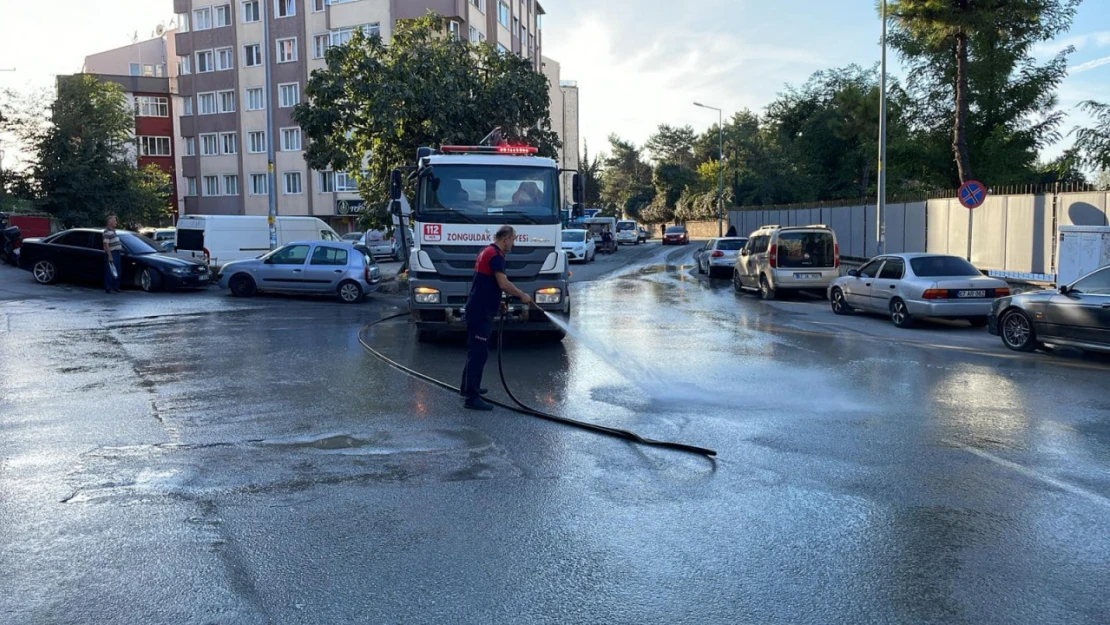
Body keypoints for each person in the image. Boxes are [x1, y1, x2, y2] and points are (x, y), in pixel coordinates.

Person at [460, 225, 533, 411]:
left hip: (478, 307)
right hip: (480, 311)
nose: (514, 244)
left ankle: (467, 388)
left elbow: (488, 283)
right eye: (514, 240)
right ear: (506, 238)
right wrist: (521, 295)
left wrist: (498, 301)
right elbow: (502, 282)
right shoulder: (496, 255)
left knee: (474, 350)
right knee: (479, 353)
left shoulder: (486, 250)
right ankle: (472, 398)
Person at [102, 214, 123, 294]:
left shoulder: (113, 231)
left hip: (117, 253)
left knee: (117, 271)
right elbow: (106, 244)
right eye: (114, 221)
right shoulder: (107, 232)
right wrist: (110, 256)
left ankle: (116, 287)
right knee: (110, 271)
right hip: (111, 253)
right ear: (109, 222)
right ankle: (108, 288)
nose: (116, 222)